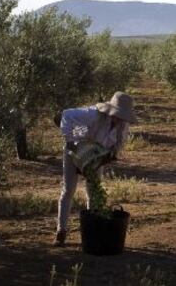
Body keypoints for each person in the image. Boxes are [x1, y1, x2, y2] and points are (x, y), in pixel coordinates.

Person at [54, 91, 137, 247]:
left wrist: (107, 156)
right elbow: (65, 115)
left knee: (94, 192)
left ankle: (91, 229)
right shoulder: (93, 114)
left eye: (121, 116)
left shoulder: (123, 125)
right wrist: (73, 143)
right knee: (68, 190)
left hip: (95, 156)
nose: (118, 119)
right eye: (117, 114)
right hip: (74, 152)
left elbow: (118, 145)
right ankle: (61, 231)